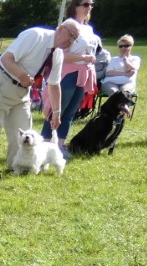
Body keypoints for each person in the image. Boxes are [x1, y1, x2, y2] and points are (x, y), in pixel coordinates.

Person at [0, 20, 77, 177]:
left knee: (23, 129)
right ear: (60, 28)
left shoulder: (58, 54)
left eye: (74, 39)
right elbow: (6, 59)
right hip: (2, 79)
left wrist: (57, 112)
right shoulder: (35, 35)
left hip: (22, 91)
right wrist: (22, 75)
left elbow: (54, 83)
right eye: (70, 35)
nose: (70, 41)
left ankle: (16, 165)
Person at [40, 0, 97, 157]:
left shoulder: (89, 29)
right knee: (56, 110)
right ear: (76, 6)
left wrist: (88, 60)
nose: (89, 7)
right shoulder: (69, 25)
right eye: (85, 4)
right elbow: (60, 54)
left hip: (83, 74)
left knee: (70, 112)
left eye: (91, 4)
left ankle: (59, 147)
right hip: (68, 73)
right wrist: (84, 57)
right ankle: (44, 146)